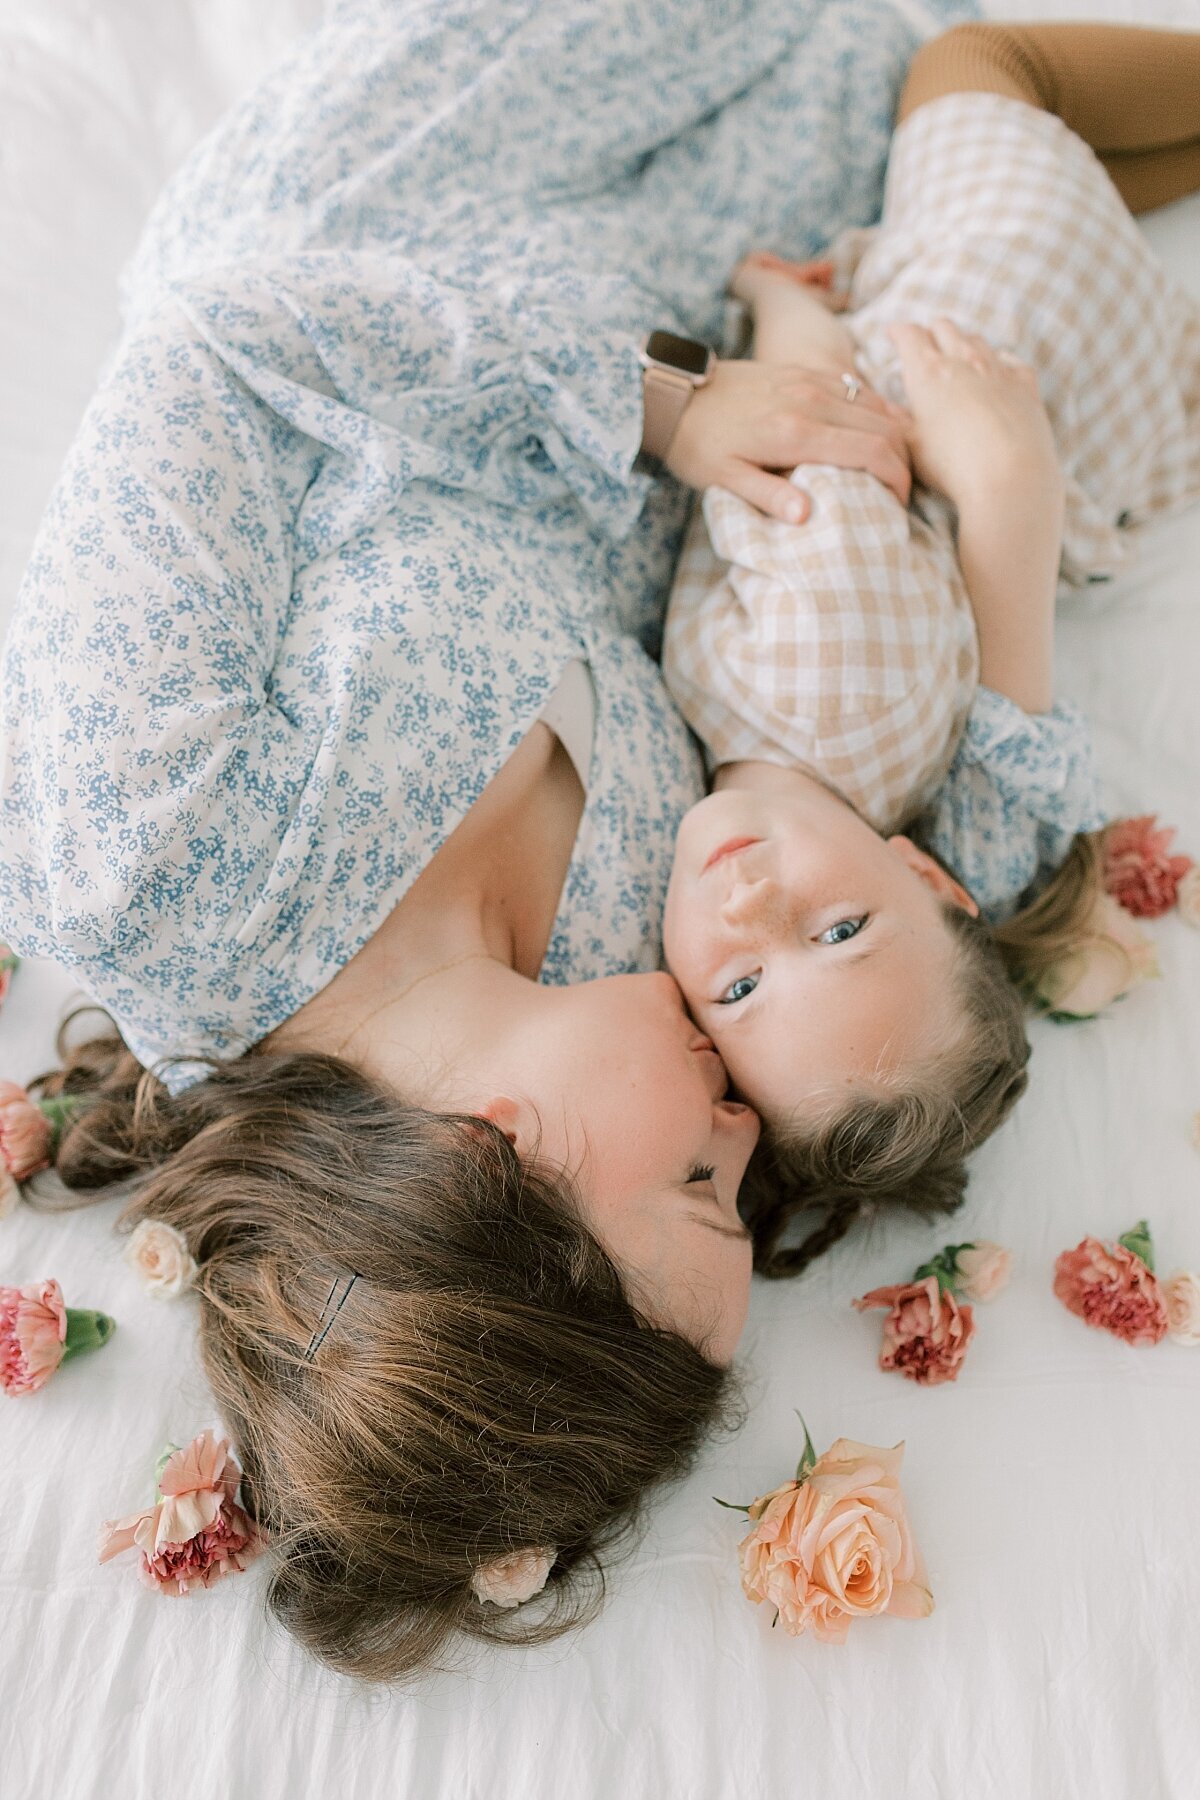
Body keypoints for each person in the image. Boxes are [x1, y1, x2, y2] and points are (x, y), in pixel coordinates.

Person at [0, 0, 948, 1679]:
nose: (745, 1122)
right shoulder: (611, 969)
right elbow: (898, 902)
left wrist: (648, 402)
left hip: (392, 220)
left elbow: (210, 341)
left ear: (488, 1153)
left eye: (694, 1179)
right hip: (681, 308)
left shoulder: (152, 861)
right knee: (923, 79)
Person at [662, 20, 1200, 1276]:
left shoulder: (957, 852)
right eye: (838, 928)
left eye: (737, 989)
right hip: (1011, 318)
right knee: (976, 67)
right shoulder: (811, 663)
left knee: (1076, 149)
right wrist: (777, 298)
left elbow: (1022, 846)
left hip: (1133, 429)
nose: (749, 907)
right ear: (927, 877)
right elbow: (817, 413)